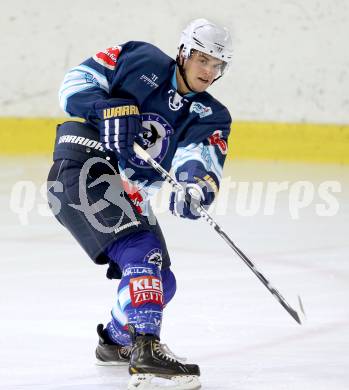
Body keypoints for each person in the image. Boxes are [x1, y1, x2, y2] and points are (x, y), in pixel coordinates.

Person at [47, 18, 233, 390]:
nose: (209, 72)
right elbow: (73, 85)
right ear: (183, 52)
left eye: (218, 65)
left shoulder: (212, 115)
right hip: (85, 166)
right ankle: (146, 352)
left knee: (163, 280)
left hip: (130, 192)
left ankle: (117, 341)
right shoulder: (137, 58)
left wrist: (194, 189)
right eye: (203, 60)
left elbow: (200, 160)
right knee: (141, 250)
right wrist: (105, 107)